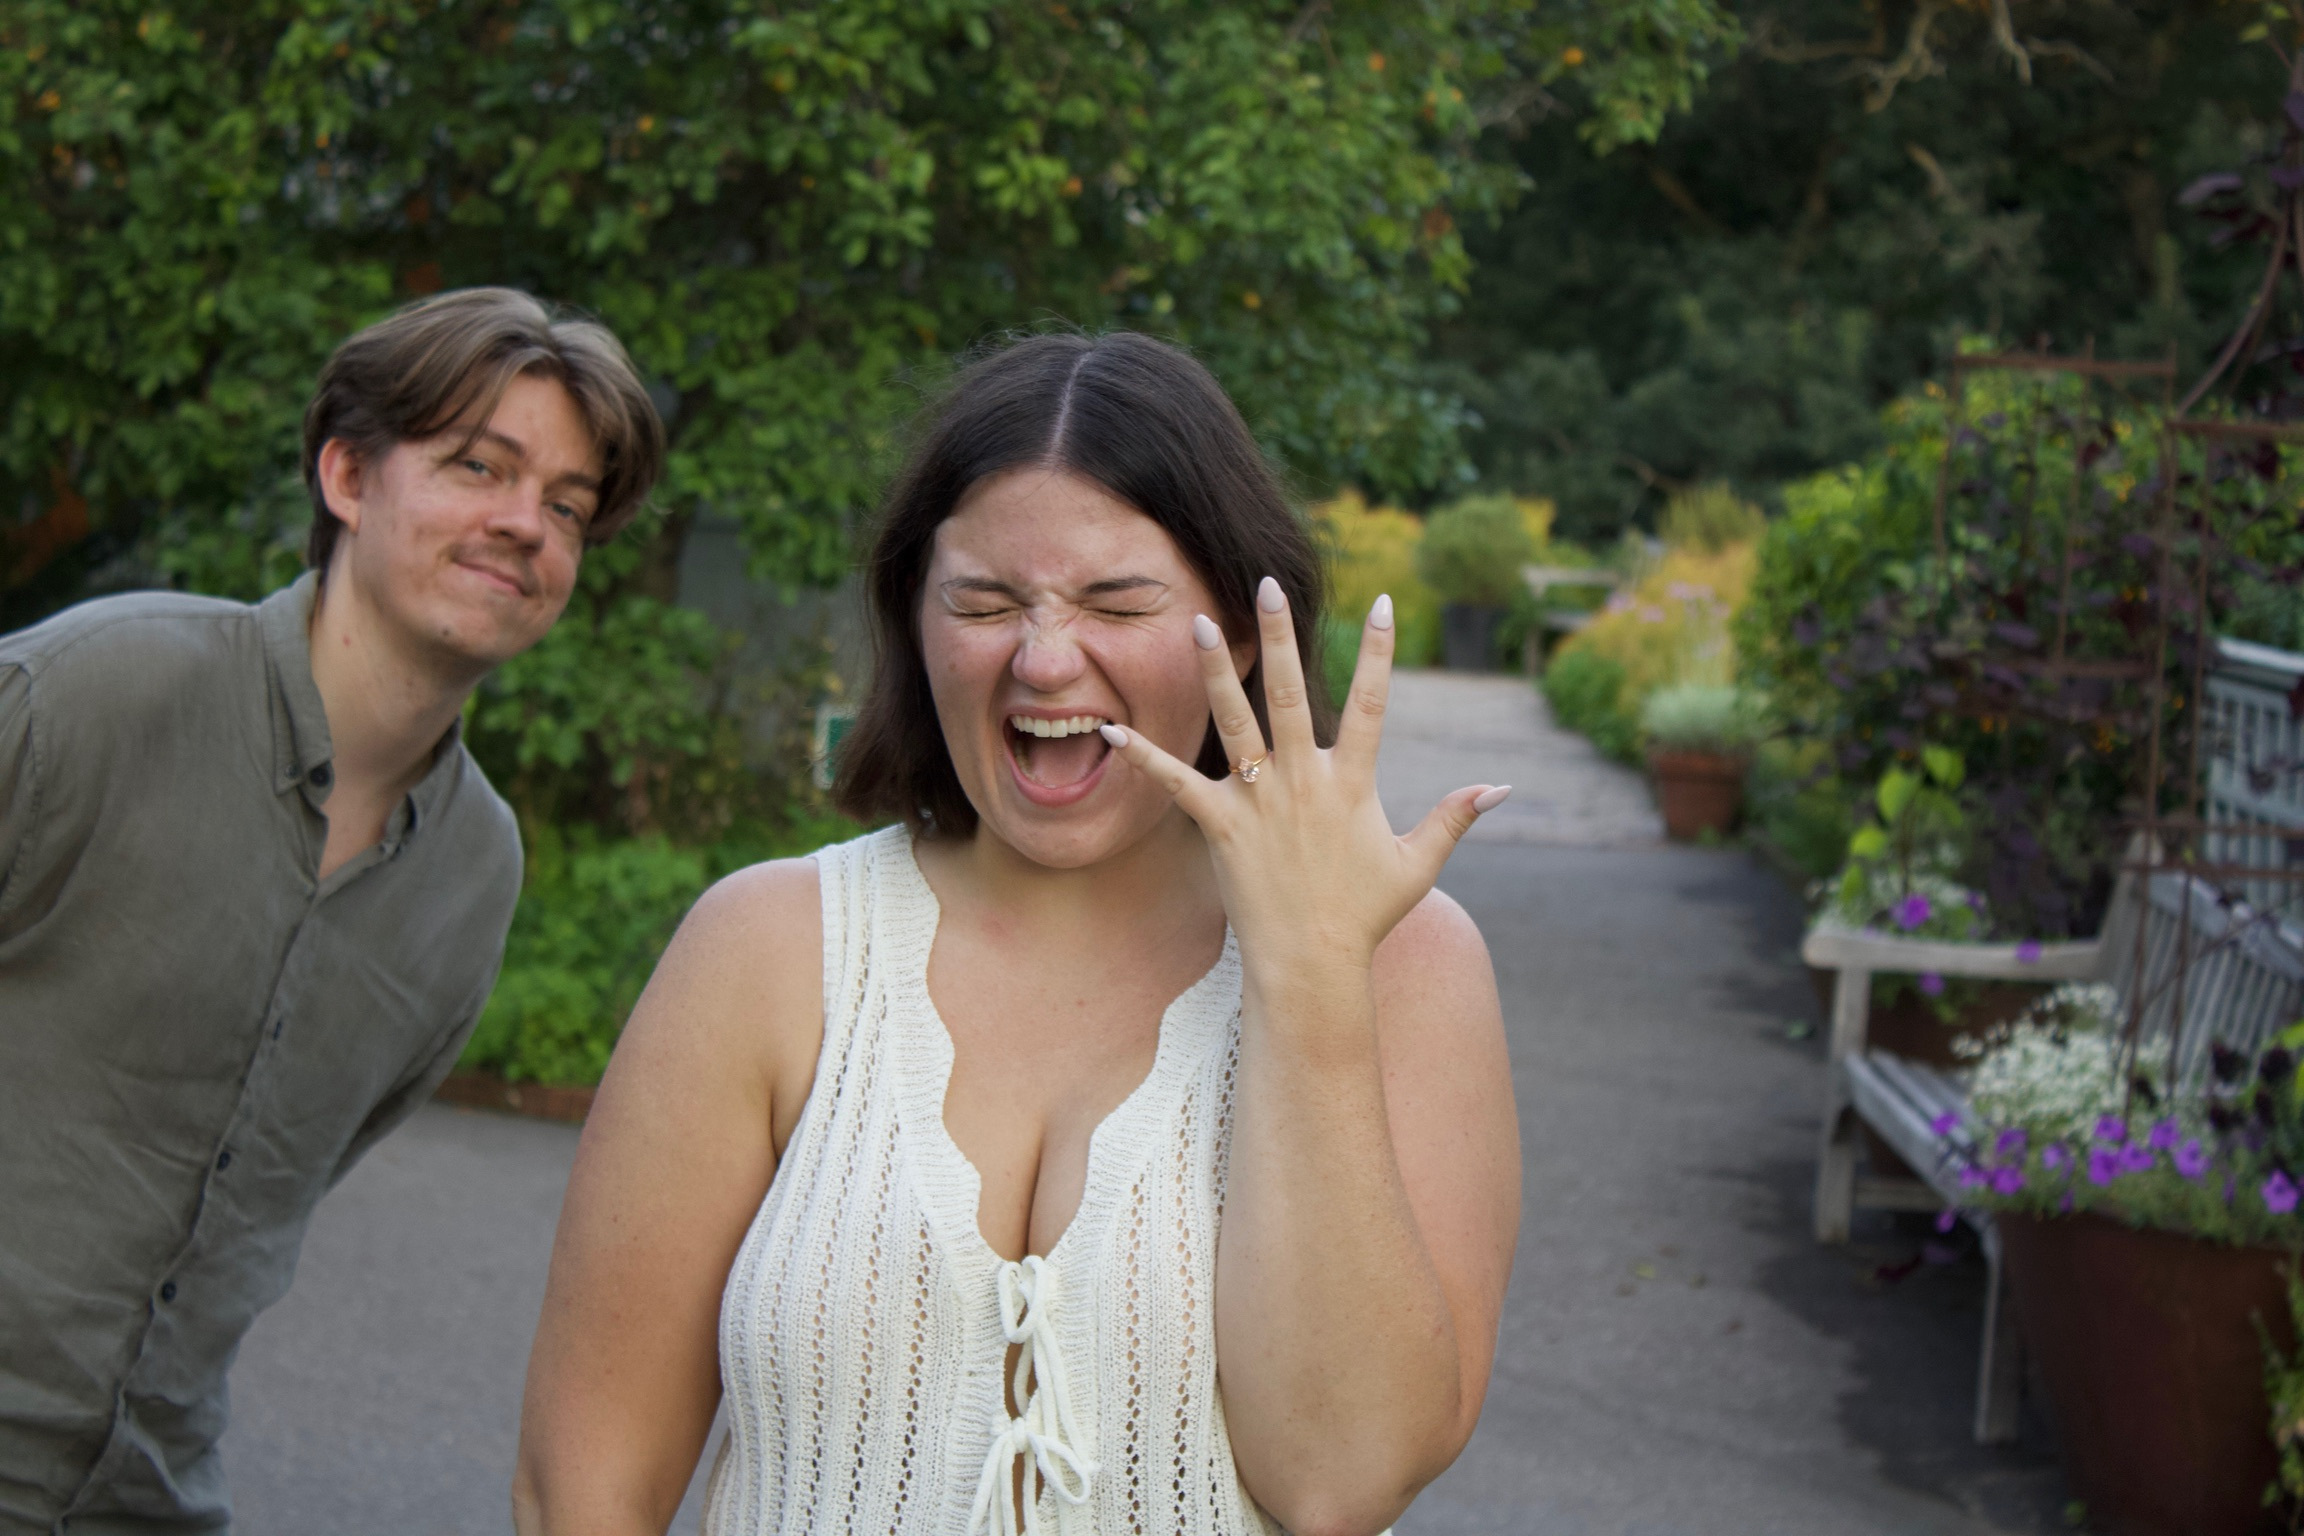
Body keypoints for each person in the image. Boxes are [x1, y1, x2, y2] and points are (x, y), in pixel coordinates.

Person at [513, 330, 1521, 1536]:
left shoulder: (1407, 964)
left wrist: (1308, 970)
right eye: (984, 603)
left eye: (1119, 602)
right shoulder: (768, 950)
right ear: (916, 624)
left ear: (1243, 638)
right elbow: (584, 1489)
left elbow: (1343, 1479)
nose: (1045, 660)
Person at [0, 287, 664, 1535]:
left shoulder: (476, 873)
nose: (526, 525)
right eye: (481, 466)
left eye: (568, 507)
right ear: (349, 474)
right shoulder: (94, 691)